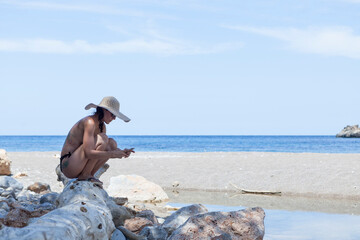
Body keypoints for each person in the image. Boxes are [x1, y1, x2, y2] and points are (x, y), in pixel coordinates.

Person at [60, 96, 134, 184]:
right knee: (103, 139)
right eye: (113, 114)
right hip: (69, 166)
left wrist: (121, 152)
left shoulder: (102, 126)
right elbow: (88, 153)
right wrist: (113, 154)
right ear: (104, 110)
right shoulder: (89, 122)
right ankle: (85, 174)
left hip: (79, 163)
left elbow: (102, 148)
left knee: (112, 144)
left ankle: (89, 174)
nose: (114, 118)